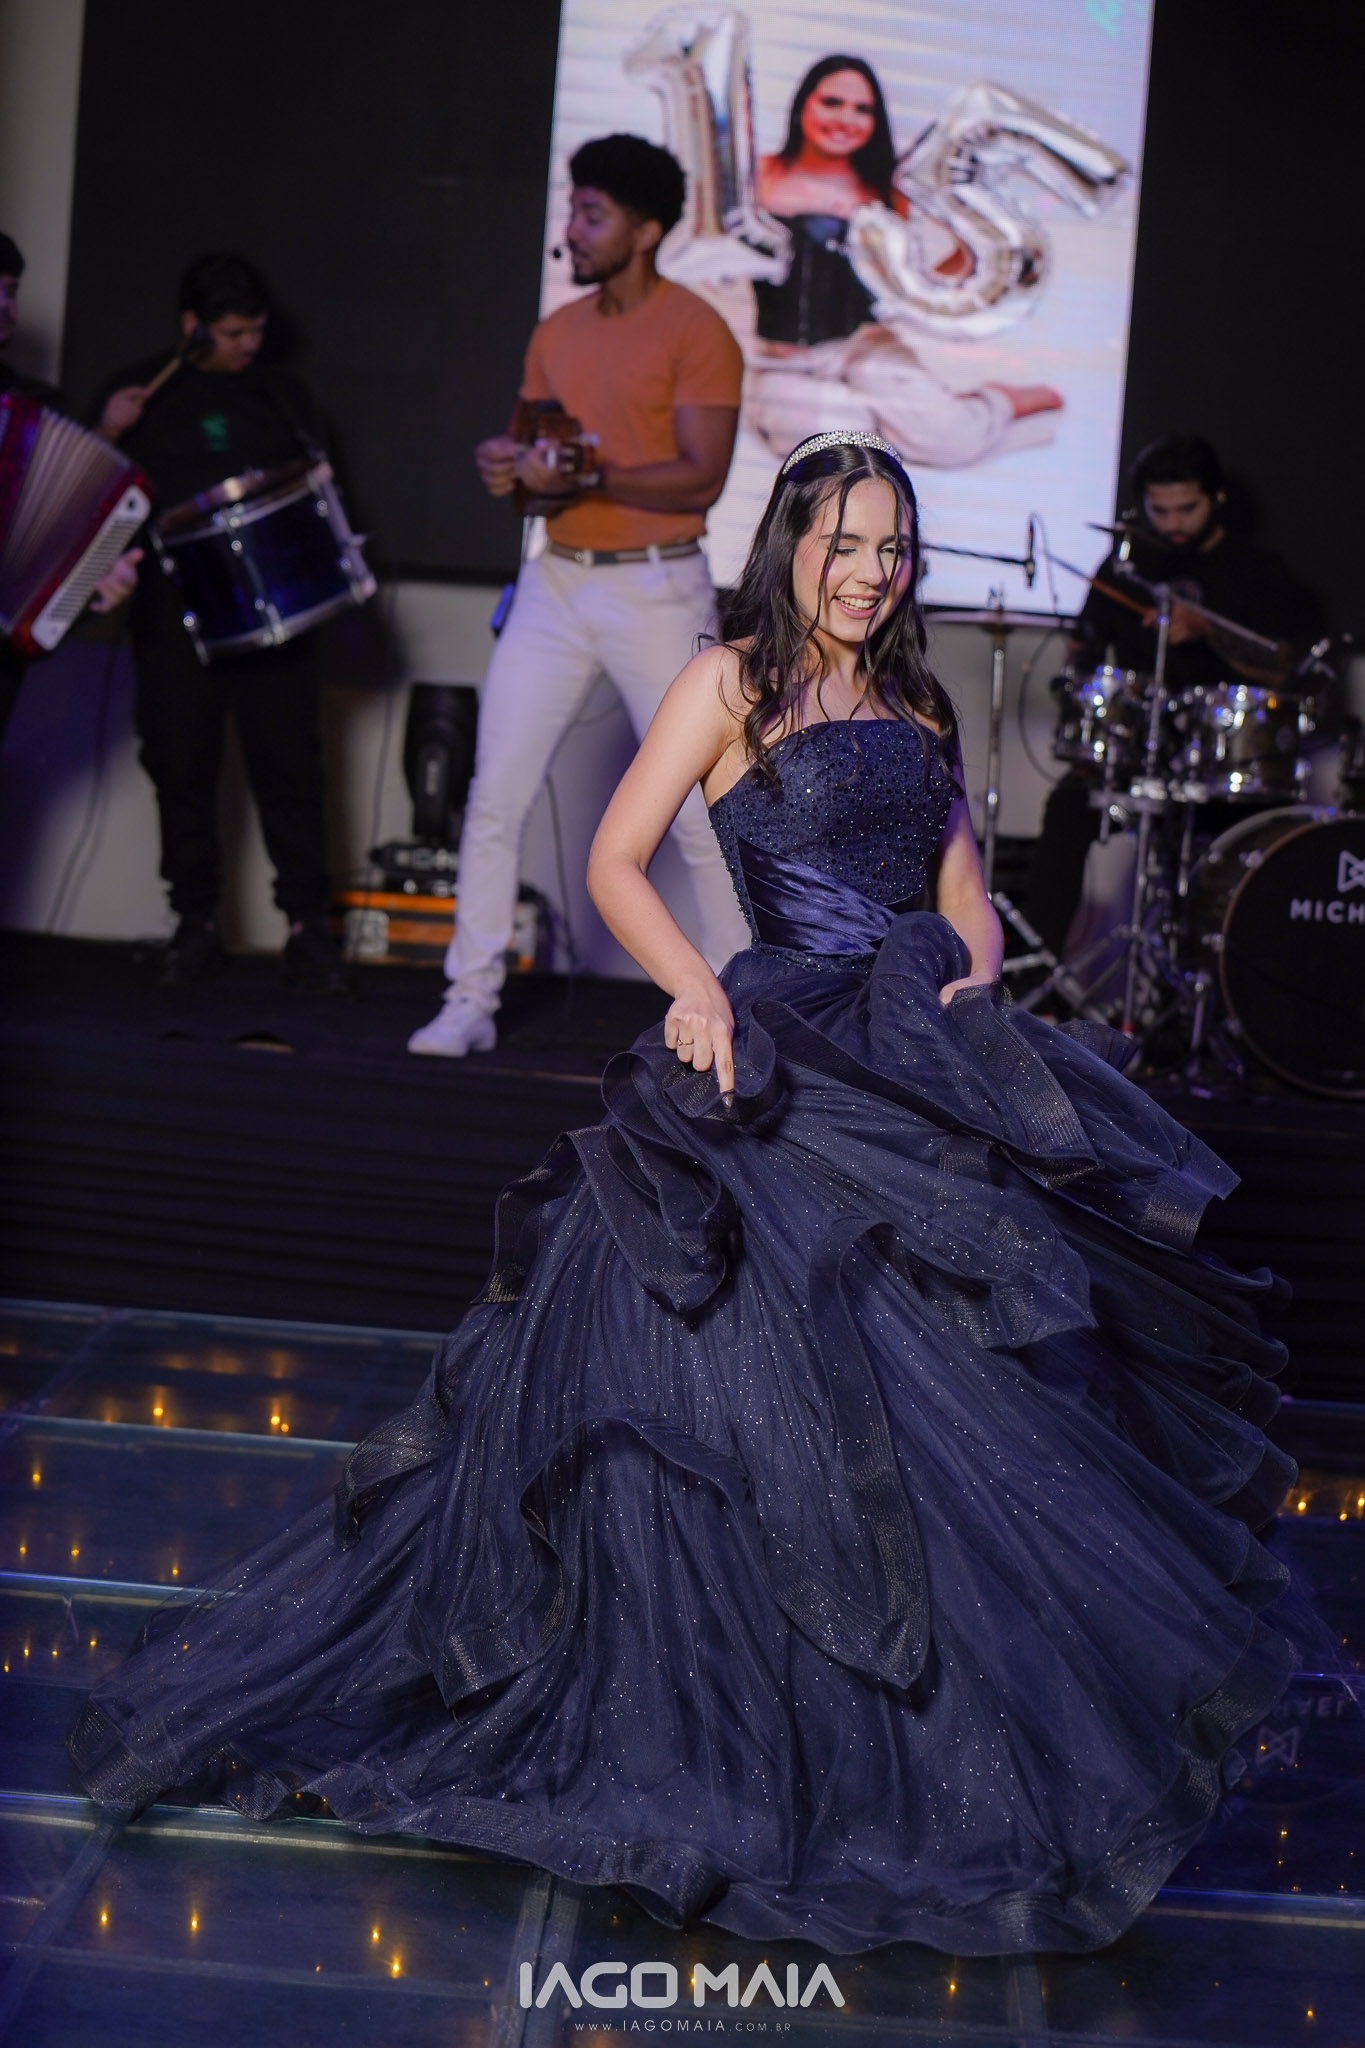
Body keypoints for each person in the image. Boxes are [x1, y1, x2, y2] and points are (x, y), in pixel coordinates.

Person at [71, 430, 1297, 1957]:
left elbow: (967, 900)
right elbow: (617, 860)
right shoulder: (727, 683)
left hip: (910, 1054)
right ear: (790, 545)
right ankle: (711, 1722)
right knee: (734, 1395)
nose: (870, 574)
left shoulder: (919, 706)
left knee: (953, 1393)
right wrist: (694, 987)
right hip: (770, 1040)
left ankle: (920, 1746)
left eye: (893, 549)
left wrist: (971, 982)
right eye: (844, 545)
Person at [407, 132, 751, 1057]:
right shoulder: (556, 333)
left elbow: (702, 476)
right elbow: (533, 470)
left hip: (658, 586)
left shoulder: (697, 329)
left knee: (697, 815)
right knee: (494, 794)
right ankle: (469, 1000)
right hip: (555, 579)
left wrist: (586, 473)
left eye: (592, 213)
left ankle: (742, 1005)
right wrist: (506, 470)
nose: (572, 228)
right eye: (572, 208)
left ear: (645, 230)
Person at [94, 251, 348, 989]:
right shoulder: (138, 394)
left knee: (291, 769)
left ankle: (308, 929)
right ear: (191, 325)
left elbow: (320, 494)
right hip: (173, 617)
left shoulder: (283, 395)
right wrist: (106, 431)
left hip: (277, 618)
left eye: (256, 330)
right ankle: (194, 924)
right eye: (235, 333)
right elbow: (81, 495)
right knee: (181, 768)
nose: (249, 345)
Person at [1029, 432, 1295, 958]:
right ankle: (1038, 975)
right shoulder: (1126, 564)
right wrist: (1083, 692)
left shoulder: (1257, 570)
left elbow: (1283, 668)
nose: (1172, 523)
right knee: (1067, 810)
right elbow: (1083, 650)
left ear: (1216, 498)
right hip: (1134, 755)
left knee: (1246, 862)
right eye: (1159, 510)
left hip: (1220, 769)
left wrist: (1207, 631)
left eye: (1187, 509)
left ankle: (1207, 986)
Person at [748, 57, 1062, 466]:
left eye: (863, 109)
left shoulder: (887, 188)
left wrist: (966, 254)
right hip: (780, 361)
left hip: (865, 349)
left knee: (954, 441)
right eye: (832, 102)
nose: (846, 119)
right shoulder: (758, 177)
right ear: (803, 104)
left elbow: (926, 275)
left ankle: (995, 401)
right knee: (843, 447)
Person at [0, 231, 140, 740]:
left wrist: (91, 575)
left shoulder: (31, 406)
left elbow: (55, 532)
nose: (4, 305)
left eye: (10, 290)